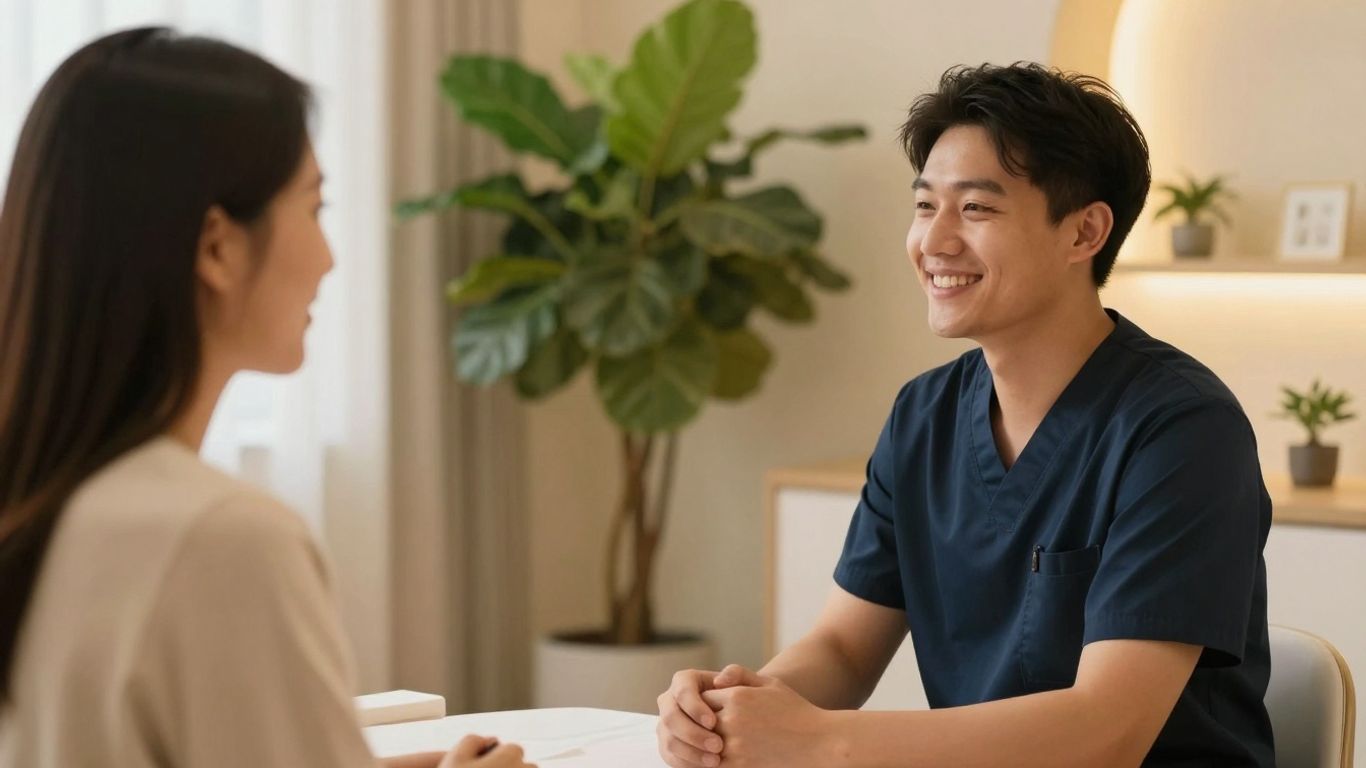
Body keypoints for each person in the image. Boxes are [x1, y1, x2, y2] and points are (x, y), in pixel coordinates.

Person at [656, 62, 1275, 767]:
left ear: (1085, 233)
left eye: (976, 209)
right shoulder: (924, 414)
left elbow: (1107, 731)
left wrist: (818, 740)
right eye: (925, 206)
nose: (935, 242)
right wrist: (739, 707)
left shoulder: (1184, 431)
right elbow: (841, 647)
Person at [0, 28, 533, 768]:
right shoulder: (220, 540)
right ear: (217, 247)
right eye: (315, 209)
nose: (329, 258)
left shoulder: (42, 501)